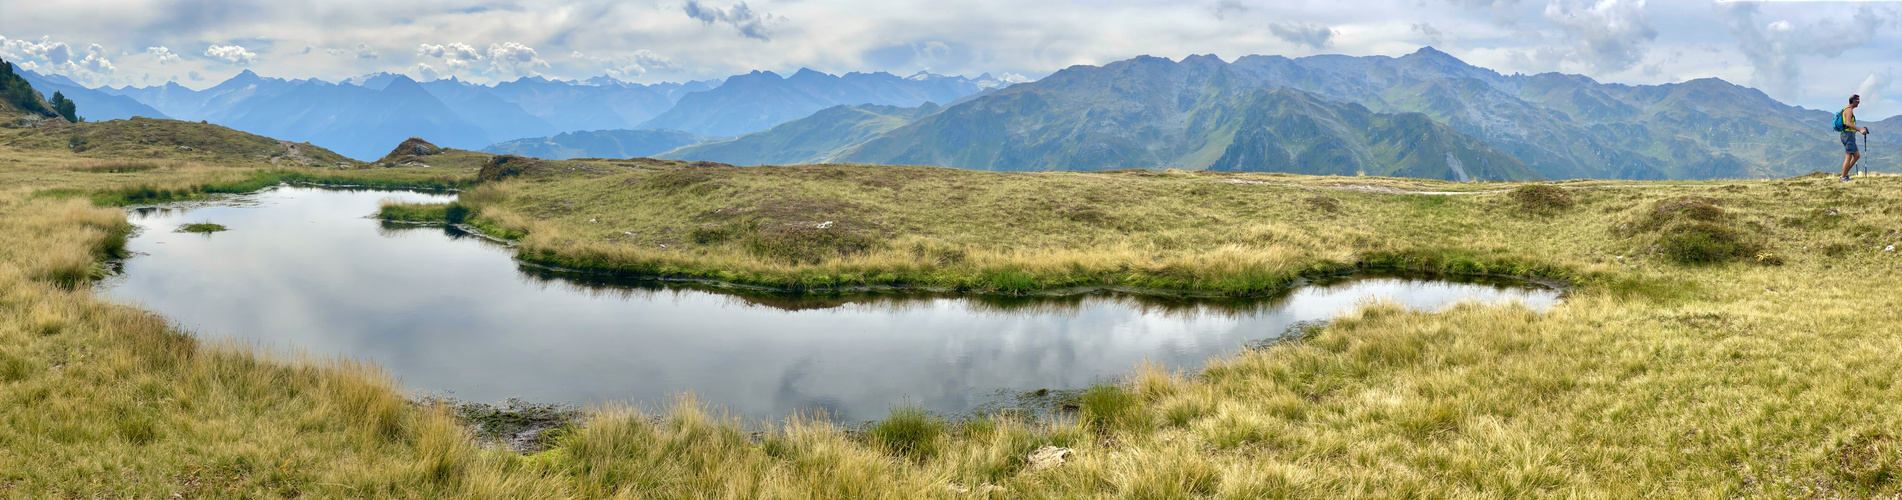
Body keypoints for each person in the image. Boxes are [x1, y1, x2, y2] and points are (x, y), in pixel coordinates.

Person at [1840, 94, 1871, 181]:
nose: (1858, 103)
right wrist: (1860, 130)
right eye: (1858, 101)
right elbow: (1848, 123)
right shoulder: (1849, 110)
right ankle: (1843, 177)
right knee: (1848, 157)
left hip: (1848, 135)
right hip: (1848, 135)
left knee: (1856, 155)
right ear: (1854, 101)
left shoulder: (1846, 109)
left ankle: (1844, 174)